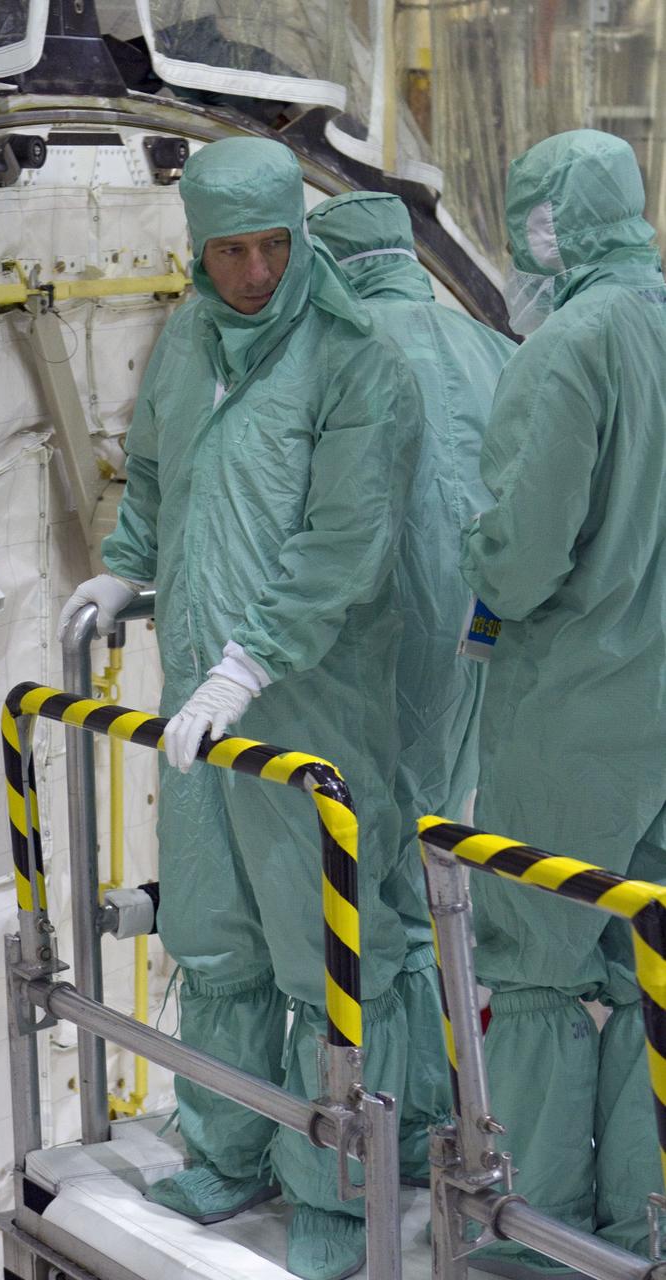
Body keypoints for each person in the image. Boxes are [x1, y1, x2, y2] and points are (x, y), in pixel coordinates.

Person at [58, 137, 424, 1280]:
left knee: (327, 957)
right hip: (202, 714)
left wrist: (250, 661)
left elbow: (341, 544)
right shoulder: (187, 343)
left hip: (308, 707)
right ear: (197, 248)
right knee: (213, 936)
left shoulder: (359, 365)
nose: (257, 271)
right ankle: (225, 1146)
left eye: (276, 244)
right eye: (233, 249)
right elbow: (158, 481)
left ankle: (333, 1186)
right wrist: (122, 570)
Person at [459, 128, 666, 1275]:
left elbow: (523, 555)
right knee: (653, 970)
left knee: (535, 967)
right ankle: (648, 1219)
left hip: (576, 713)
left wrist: (474, 556)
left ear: (545, 228)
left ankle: (534, 1240)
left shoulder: (568, 346)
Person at [307, 190, 515, 1183]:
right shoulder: (487, 343)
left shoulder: (331, 355)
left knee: (369, 879)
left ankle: (379, 1147)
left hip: (375, 641)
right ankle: (457, 1107)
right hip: (480, 634)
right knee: (445, 850)